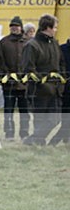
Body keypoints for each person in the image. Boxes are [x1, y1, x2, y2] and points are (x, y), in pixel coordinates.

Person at [22, 14, 64, 146]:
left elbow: (61, 64)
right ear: (47, 27)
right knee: (40, 120)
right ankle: (38, 144)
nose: (56, 30)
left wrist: (60, 82)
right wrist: (44, 84)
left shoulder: (55, 44)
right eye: (55, 27)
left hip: (56, 90)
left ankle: (31, 140)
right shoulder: (31, 45)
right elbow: (28, 69)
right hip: (38, 91)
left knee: (55, 119)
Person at [0, 15, 30, 140]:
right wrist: (5, 75)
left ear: (21, 28)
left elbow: (31, 61)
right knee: (8, 111)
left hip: (24, 83)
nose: (14, 28)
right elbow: (1, 62)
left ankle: (24, 133)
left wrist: (27, 76)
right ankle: (9, 133)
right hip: (9, 83)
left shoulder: (28, 42)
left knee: (24, 111)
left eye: (16, 26)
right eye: (12, 26)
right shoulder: (4, 42)